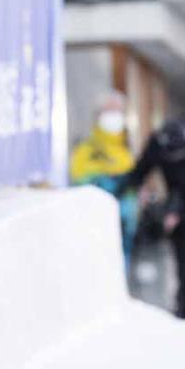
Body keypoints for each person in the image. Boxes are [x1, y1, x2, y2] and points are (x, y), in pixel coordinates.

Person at [119, 119, 185, 319]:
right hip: (181, 219)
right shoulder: (158, 144)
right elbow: (138, 173)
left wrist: (179, 216)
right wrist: (130, 190)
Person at [70, 91, 138, 262]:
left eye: (118, 112)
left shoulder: (127, 150)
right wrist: (108, 180)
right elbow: (78, 178)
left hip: (125, 227)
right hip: (95, 226)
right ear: (99, 115)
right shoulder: (87, 149)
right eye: (110, 111)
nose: (114, 117)